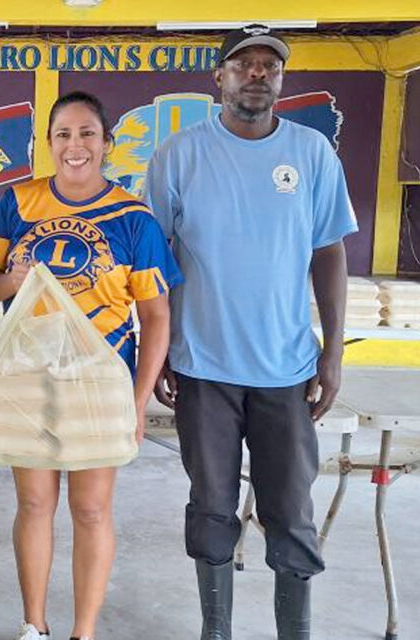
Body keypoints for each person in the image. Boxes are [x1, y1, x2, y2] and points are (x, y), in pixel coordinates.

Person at [145, 25, 356, 640]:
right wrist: (159, 353)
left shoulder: (312, 153)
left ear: (281, 80)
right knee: (211, 509)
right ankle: (218, 629)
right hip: (202, 367)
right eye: (245, 65)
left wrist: (333, 354)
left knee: (290, 511)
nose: (258, 74)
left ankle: (295, 631)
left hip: (286, 369)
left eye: (270, 66)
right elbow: (156, 263)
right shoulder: (178, 155)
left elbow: (329, 253)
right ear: (220, 77)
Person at [0, 91, 181, 640]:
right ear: (48, 145)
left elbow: (155, 316)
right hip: (26, 373)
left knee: (90, 510)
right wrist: (12, 281)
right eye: (63, 134)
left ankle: (83, 632)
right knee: (35, 502)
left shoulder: (135, 219)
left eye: (88, 133)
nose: (75, 146)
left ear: (107, 144)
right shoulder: (17, 203)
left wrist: (137, 401)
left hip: (99, 378)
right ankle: (33, 626)